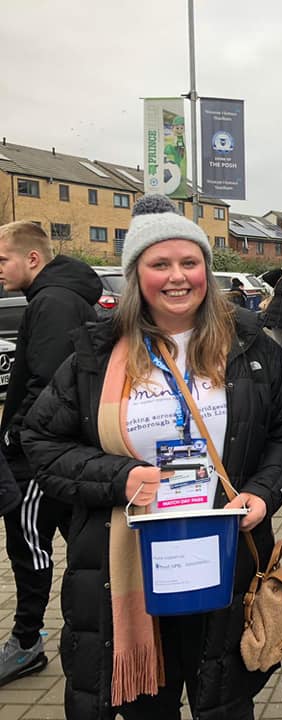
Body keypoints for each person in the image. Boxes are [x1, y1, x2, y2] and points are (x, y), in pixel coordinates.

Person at [20, 195, 282, 719]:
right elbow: (39, 440)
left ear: (206, 270)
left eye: (189, 263)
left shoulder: (250, 345)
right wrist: (121, 477)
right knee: (148, 706)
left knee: (223, 700)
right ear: (136, 276)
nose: (178, 277)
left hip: (226, 554)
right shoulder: (96, 352)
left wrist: (264, 495)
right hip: (122, 564)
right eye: (160, 264)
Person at [0, 220, 102, 687]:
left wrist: (19, 440)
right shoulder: (57, 295)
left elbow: (48, 383)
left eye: (3, 260)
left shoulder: (53, 301)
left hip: (40, 457)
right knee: (82, 543)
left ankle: (27, 641)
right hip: (57, 450)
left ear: (33, 259)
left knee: (28, 544)